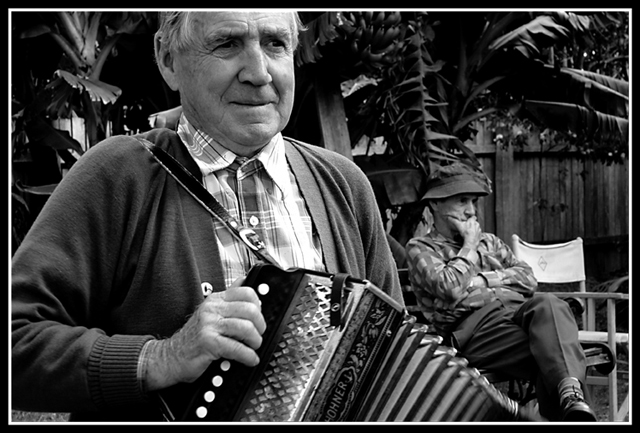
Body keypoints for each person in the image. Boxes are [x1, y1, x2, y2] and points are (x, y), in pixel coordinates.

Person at [11, 11, 402, 422]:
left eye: (275, 44)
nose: (258, 73)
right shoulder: (118, 175)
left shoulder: (343, 185)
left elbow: (390, 353)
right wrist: (160, 357)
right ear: (167, 59)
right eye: (227, 43)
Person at [405, 161, 597, 422]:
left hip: (517, 316)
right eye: (462, 201)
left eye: (473, 201)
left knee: (549, 303)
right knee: (558, 352)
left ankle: (569, 395)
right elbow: (450, 287)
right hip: (473, 332)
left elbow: (528, 279)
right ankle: (571, 397)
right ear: (436, 204)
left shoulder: (491, 242)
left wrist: (480, 282)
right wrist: (470, 248)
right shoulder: (421, 248)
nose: (471, 211)